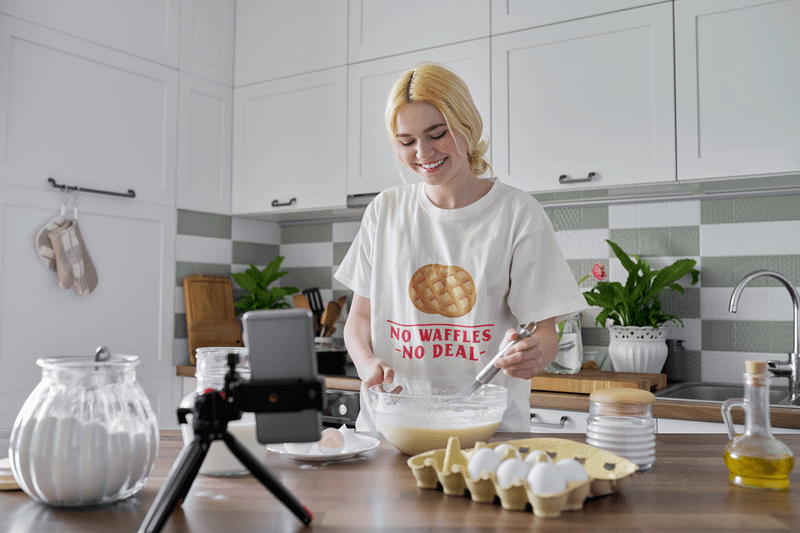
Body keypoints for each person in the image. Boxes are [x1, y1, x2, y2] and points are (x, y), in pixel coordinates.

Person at [334, 63, 586, 432]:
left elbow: (543, 332)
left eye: (437, 134)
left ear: (466, 125)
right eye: (406, 141)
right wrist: (366, 363)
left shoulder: (517, 214)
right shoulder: (385, 211)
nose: (423, 152)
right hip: (391, 428)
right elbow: (358, 319)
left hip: (487, 432)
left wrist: (532, 355)